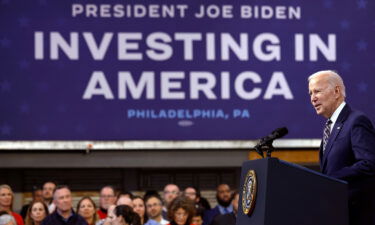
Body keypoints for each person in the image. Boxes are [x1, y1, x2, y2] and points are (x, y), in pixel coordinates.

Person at [308, 70, 375, 225]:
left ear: (336, 91)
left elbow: (369, 163)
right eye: (310, 93)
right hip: (336, 214)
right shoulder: (331, 127)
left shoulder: (356, 121)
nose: (313, 98)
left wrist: (329, 180)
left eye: (317, 91)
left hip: (356, 215)